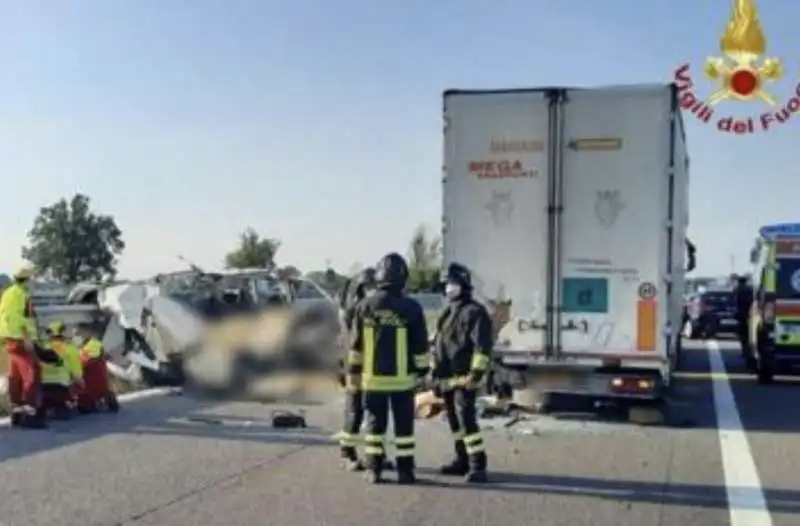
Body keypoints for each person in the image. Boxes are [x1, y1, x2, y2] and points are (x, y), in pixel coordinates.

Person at [345, 253, 429, 484]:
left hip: (372, 381)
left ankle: (374, 470)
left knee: (374, 427)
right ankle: (405, 472)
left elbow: (355, 346)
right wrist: (422, 371)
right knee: (404, 431)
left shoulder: (364, 306)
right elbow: (420, 345)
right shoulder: (411, 308)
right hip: (403, 382)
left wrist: (353, 375)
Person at [433, 262, 493, 483]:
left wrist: (475, 375)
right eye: (447, 284)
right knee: (454, 422)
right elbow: (439, 342)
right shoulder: (448, 311)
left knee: (467, 422)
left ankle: (478, 465)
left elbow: (482, 347)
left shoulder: (476, 312)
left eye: (453, 283)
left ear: (463, 284)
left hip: (464, 378)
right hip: (446, 378)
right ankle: (462, 460)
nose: (449, 288)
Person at [337, 267, 377, 470]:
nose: (374, 291)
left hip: (369, 368)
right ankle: (347, 452)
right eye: (370, 287)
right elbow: (347, 343)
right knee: (354, 412)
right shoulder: (353, 312)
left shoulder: (366, 308)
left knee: (374, 413)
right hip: (354, 368)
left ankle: (375, 455)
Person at [0, 267, 47, 428]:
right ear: (27, 280)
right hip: (20, 339)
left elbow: (5, 316)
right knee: (31, 374)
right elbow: (24, 319)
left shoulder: (8, 293)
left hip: (8, 339)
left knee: (15, 375)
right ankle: (30, 412)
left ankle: (17, 412)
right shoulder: (23, 295)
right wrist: (29, 338)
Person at [40, 321, 83, 419]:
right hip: (62, 385)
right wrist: (81, 383)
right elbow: (76, 371)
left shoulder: (43, 347)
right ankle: (66, 404)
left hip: (44, 384)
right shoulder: (70, 348)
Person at [73, 323, 119, 413]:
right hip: (93, 378)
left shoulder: (93, 344)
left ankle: (98, 400)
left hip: (93, 378)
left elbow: (87, 362)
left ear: (86, 332)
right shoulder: (81, 346)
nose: (75, 337)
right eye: (74, 334)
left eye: (77, 334)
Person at [733, 275, 755, 370]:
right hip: (750, 316)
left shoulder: (738, 290)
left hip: (742, 316)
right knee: (748, 338)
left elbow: (736, 303)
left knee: (744, 338)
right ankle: (748, 355)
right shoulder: (749, 290)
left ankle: (746, 355)